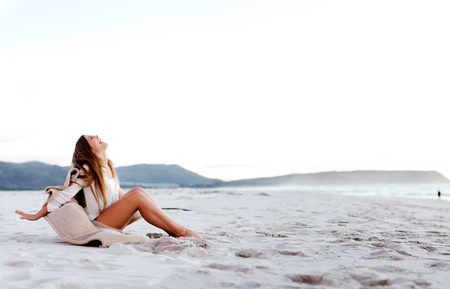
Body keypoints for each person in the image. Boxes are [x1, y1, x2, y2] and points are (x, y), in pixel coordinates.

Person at [15, 135, 199, 238]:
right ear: (89, 149)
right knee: (136, 196)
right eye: (91, 138)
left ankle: (174, 229)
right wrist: (35, 215)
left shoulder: (108, 166)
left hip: (111, 218)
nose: (96, 136)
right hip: (100, 223)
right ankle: (179, 231)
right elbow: (61, 197)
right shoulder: (87, 170)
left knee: (138, 191)